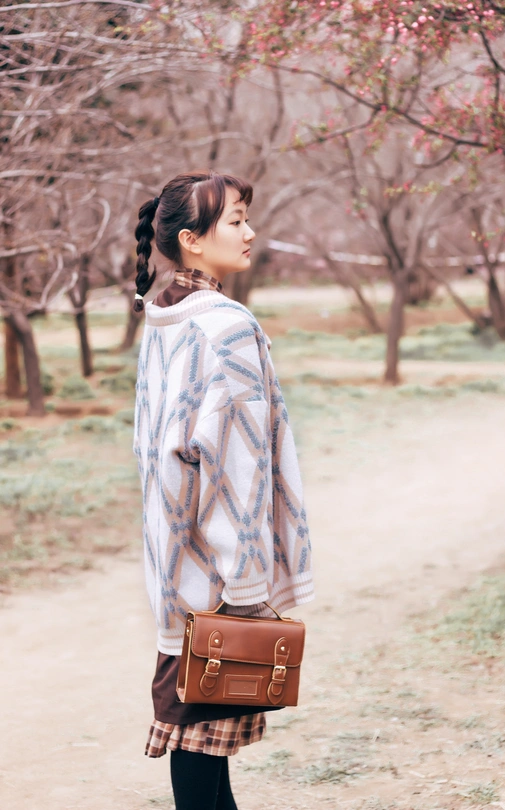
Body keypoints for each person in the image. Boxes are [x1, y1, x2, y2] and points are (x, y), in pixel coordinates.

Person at [133, 170, 314, 810]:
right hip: (219, 569)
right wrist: (243, 582)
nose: (250, 232)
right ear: (191, 238)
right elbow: (239, 468)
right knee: (200, 734)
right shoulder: (226, 326)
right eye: (235, 221)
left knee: (203, 735)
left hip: (176, 558)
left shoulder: (163, 316)